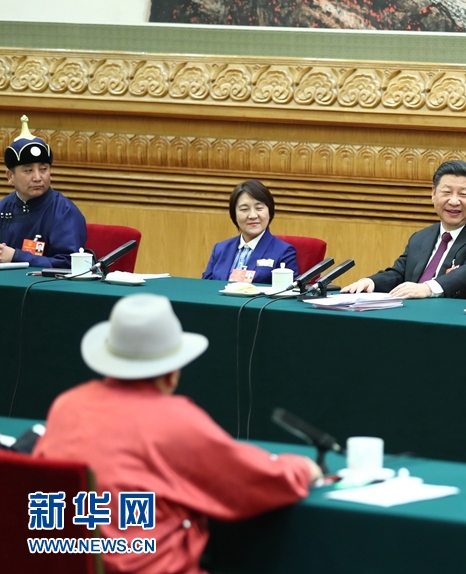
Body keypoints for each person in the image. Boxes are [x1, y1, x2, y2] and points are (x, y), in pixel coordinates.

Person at [34, 294, 321, 574]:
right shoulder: (174, 419)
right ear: (172, 373)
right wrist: (303, 469)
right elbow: (253, 480)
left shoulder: (67, 404)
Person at [341, 160, 466, 301]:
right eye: (447, 192)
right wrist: (370, 283)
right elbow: (399, 273)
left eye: (463, 194)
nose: (454, 201)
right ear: (433, 194)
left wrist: (428, 288)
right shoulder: (421, 237)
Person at [1, 115, 87, 268]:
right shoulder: (4, 207)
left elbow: (70, 264)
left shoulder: (64, 211)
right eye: (28, 170)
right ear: (10, 177)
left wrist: (16, 256)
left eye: (43, 169)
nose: (37, 177)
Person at [202, 179, 298, 285]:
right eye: (244, 209)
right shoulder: (220, 249)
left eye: (259, 208)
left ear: (269, 212)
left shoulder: (284, 252)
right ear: (234, 214)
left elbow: (290, 291)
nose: (253, 215)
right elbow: (205, 286)